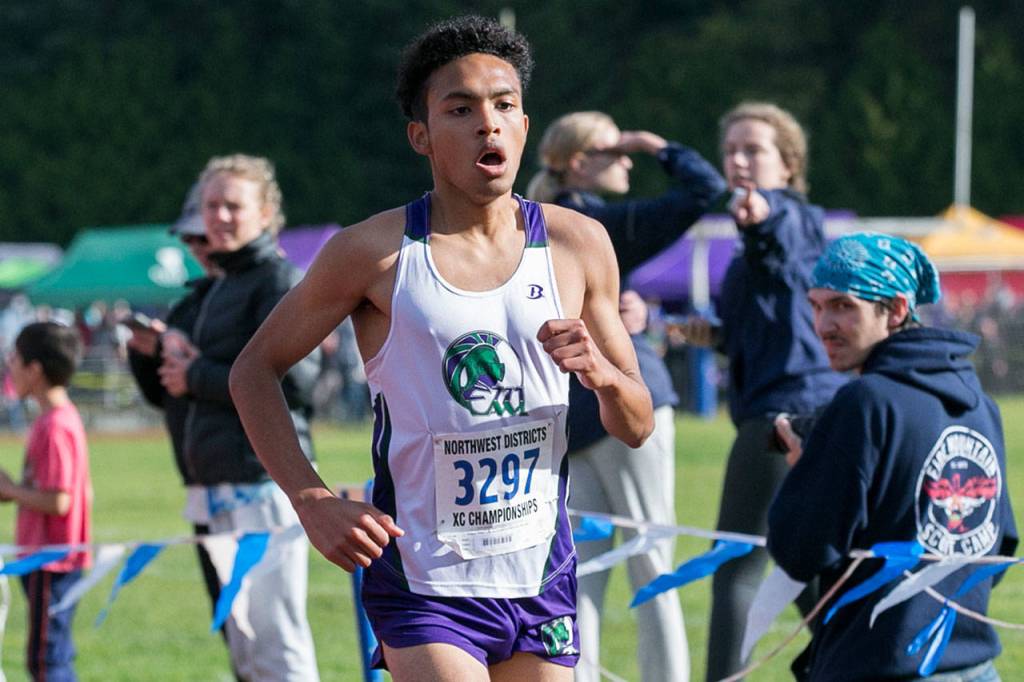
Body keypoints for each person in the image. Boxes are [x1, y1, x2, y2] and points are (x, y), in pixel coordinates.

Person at [228, 15, 654, 682]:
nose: (488, 123)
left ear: (523, 125)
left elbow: (636, 425)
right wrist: (310, 499)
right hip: (424, 577)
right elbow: (254, 370)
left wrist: (601, 374)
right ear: (420, 136)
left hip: (539, 568)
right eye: (461, 109)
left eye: (504, 105)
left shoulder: (579, 244)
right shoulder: (372, 253)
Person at [526, 110, 727, 682]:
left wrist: (631, 306)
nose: (626, 162)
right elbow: (704, 189)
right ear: (578, 163)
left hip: (566, 415)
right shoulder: (593, 224)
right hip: (621, 406)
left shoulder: (540, 221)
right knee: (650, 561)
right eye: (614, 150)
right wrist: (656, 143)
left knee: (579, 569)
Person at [768, 233, 1018, 681]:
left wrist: (806, 470)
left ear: (897, 309)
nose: (823, 324)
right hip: (975, 668)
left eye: (844, 306)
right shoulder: (982, 405)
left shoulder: (864, 402)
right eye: (817, 305)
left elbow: (798, 549)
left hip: (879, 668)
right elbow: (995, 549)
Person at [678, 102, 847, 680]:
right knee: (801, 569)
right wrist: (715, 336)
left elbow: (779, 225)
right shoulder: (751, 247)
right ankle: (865, 663)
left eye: (754, 150)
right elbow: (774, 330)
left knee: (735, 565)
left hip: (784, 418)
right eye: (731, 151)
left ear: (788, 162)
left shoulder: (792, 217)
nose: (738, 161)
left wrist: (760, 209)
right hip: (808, 410)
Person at [157, 155, 321, 681]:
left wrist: (198, 374)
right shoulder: (218, 284)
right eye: (211, 205)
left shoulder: (276, 279)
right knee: (245, 648)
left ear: (266, 212)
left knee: (277, 644)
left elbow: (296, 378)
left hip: (264, 484)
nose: (220, 217)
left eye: (234, 205)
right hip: (215, 487)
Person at [125, 182, 232, 668]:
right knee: (232, 630)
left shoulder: (261, 290)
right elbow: (161, 397)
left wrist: (194, 369)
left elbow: (285, 383)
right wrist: (146, 357)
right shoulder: (192, 303)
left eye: (201, 239)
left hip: (249, 482)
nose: (195, 248)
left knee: (265, 638)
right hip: (201, 483)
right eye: (189, 240)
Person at [0, 322, 91, 681]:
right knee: (49, 656)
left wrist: (10, 490)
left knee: (46, 662)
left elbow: (59, 502)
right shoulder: (54, 419)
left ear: (34, 370)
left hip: (52, 561)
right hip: (46, 558)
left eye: (15, 359)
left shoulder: (56, 425)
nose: (10, 365)